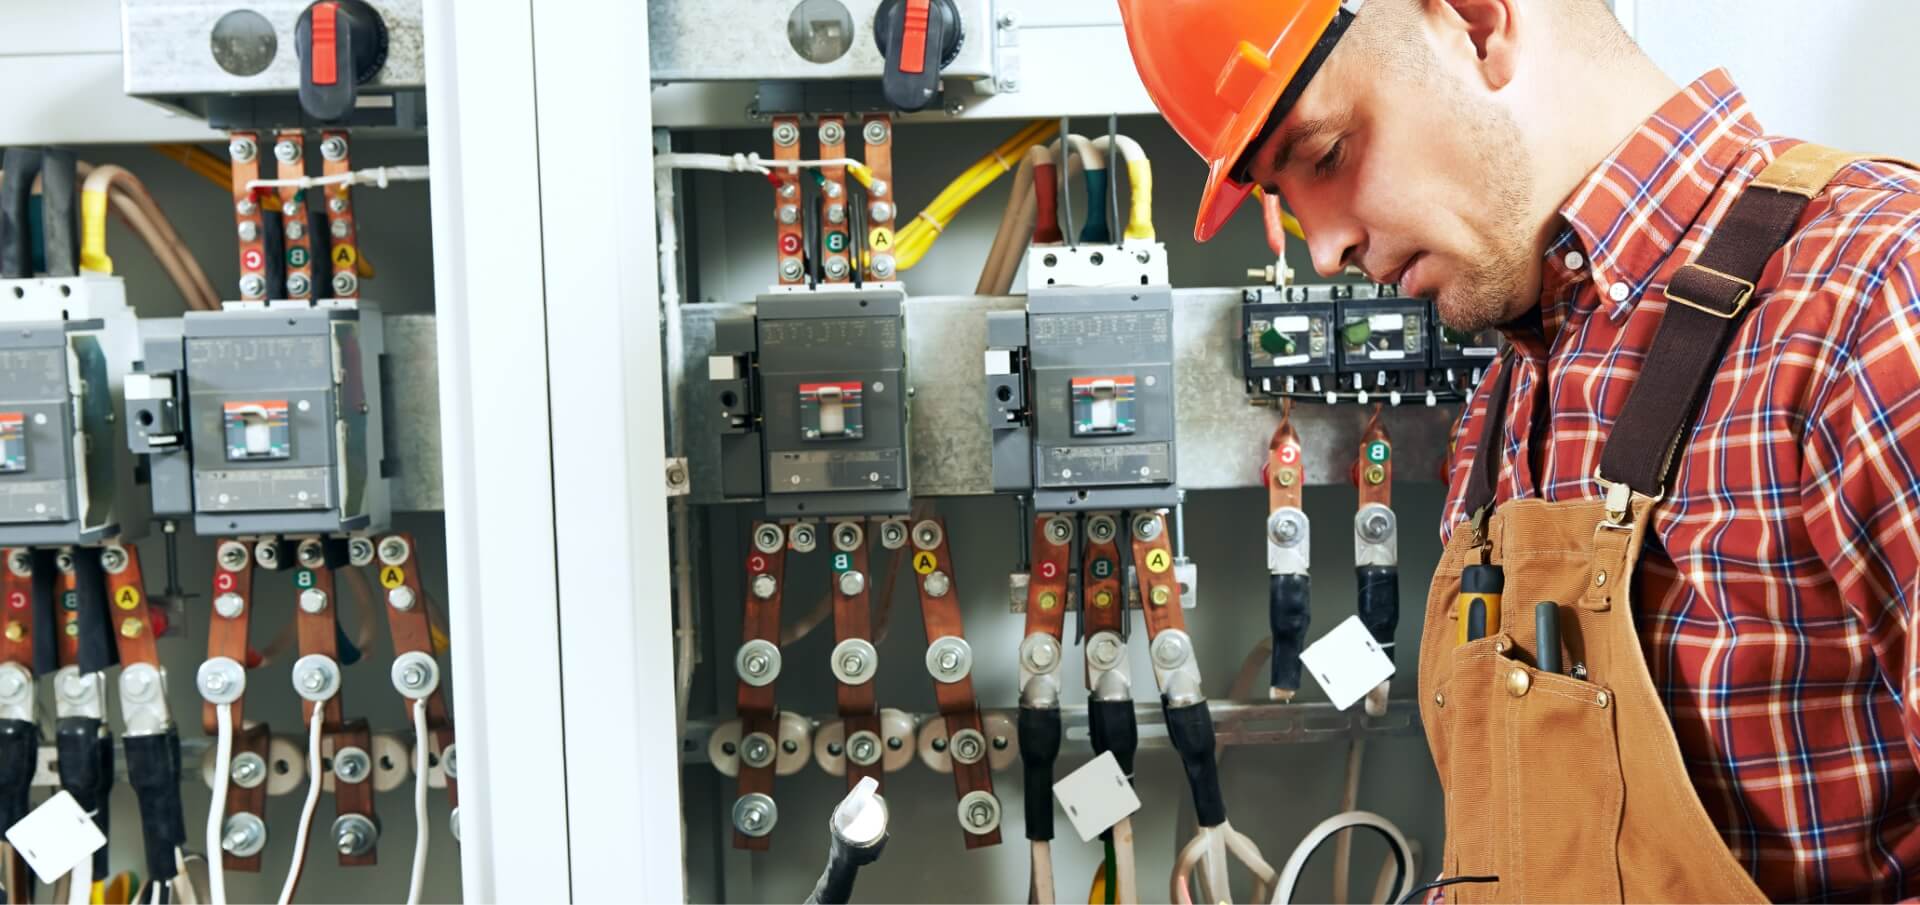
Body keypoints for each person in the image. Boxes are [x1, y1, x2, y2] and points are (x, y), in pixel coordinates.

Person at [1120, 0, 1920, 900]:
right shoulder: (1506, 400)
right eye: (1284, 198)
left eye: (1326, 153)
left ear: (1473, 24)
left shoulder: (1871, 302)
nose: (1325, 246)